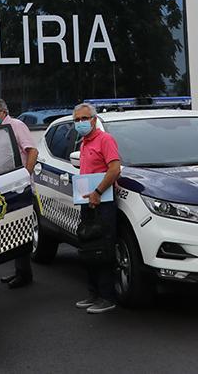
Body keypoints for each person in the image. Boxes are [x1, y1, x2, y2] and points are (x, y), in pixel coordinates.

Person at [72, 102, 122, 314]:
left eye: (84, 119)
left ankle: (106, 297)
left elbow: (114, 169)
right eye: (77, 120)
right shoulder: (83, 143)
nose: (81, 123)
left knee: (103, 249)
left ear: (93, 119)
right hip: (87, 203)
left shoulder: (105, 140)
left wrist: (98, 192)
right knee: (88, 248)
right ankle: (94, 294)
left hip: (103, 203)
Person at [0, 97, 38, 289]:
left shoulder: (16, 125)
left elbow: (32, 151)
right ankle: (18, 271)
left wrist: (26, 175)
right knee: (12, 231)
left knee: (21, 230)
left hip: (18, 188)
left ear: (4, 112)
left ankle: (25, 274)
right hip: (4, 188)